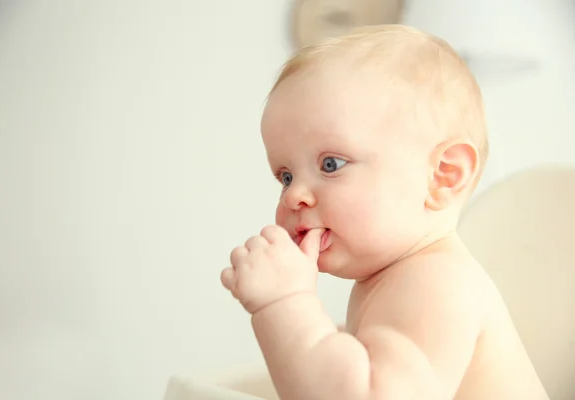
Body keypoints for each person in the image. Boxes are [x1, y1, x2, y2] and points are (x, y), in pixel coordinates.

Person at [220, 24, 548, 399]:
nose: (294, 195)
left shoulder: (435, 283)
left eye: (331, 164)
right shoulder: (397, 280)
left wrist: (283, 304)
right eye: (285, 175)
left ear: (442, 176)